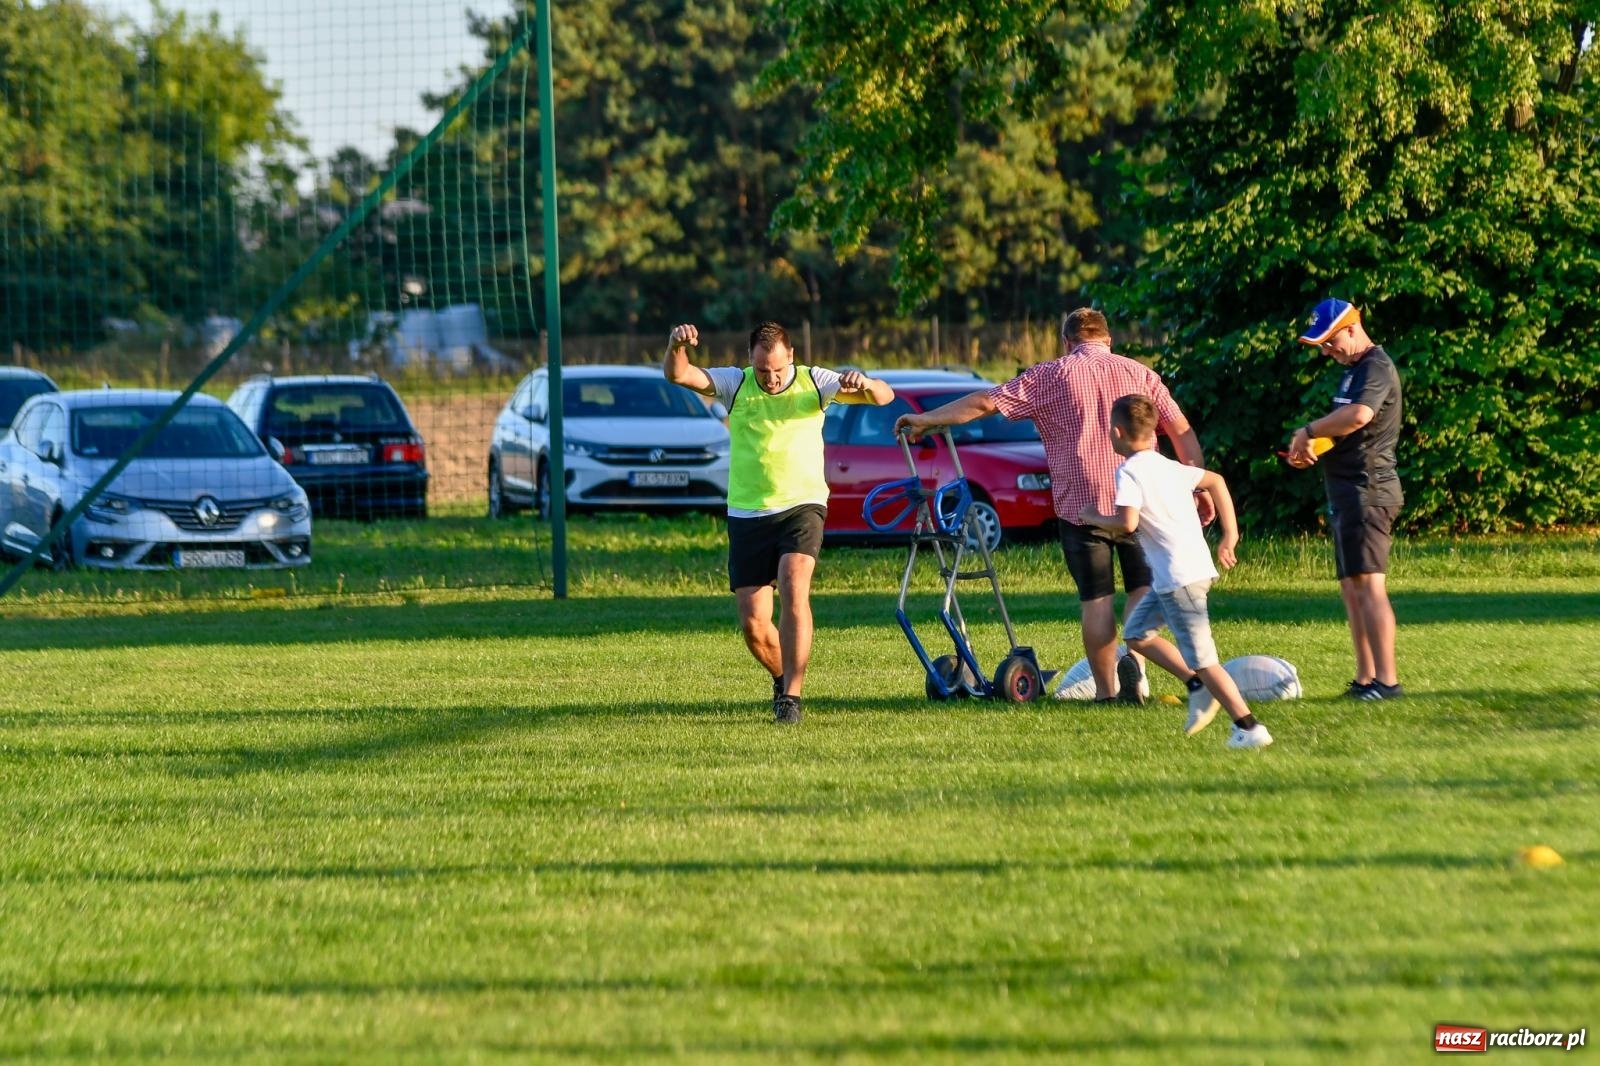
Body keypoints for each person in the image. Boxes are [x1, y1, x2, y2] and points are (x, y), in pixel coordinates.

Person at [894, 307, 1213, 704]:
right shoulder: (1139, 374)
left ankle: (1106, 690)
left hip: (1081, 506)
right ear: (1108, 340)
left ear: (1067, 342)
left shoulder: (1050, 375)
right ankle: (1138, 670)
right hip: (1142, 503)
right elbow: (1180, 431)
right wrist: (1194, 486)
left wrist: (926, 420)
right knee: (1141, 588)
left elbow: (984, 403)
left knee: (1096, 598)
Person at [664, 321, 894, 724]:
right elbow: (679, 374)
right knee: (754, 624)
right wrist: (675, 346)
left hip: (802, 505)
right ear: (750, 361)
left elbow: (884, 397)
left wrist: (866, 382)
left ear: (791, 356)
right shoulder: (735, 384)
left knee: (793, 584)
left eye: (777, 370)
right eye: (762, 370)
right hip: (748, 512)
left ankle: (792, 697)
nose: (770, 379)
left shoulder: (815, 382)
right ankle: (780, 676)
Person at [1077, 395, 1273, 749]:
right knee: (1136, 635)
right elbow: (1216, 482)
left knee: (1206, 661)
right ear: (1153, 434)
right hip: (1182, 573)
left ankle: (1248, 726)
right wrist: (1230, 535)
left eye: (1109, 428)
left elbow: (1126, 523)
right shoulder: (1168, 466)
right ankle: (1197, 689)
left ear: (1117, 432)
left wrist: (1093, 518)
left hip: (1180, 580)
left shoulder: (1130, 471)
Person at [1286, 298, 1404, 701]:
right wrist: (1313, 448)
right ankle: (1365, 679)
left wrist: (1308, 428)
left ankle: (1387, 682)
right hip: (1347, 490)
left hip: (1368, 490)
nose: (1325, 350)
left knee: (1370, 586)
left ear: (1352, 328)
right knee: (1352, 589)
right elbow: (1345, 430)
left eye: (1329, 341)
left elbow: (1359, 417)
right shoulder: (1353, 370)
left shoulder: (1375, 367)